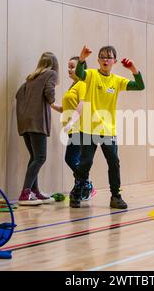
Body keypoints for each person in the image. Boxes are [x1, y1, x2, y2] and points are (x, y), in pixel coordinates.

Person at [69, 45, 145, 209]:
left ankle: (116, 196)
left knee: (114, 163)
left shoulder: (117, 81)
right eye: (102, 57)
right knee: (85, 163)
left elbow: (140, 86)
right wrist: (82, 58)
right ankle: (77, 191)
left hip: (108, 130)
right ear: (98, 60)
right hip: (89, 128)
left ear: (114, 61)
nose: (105, 60)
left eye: (108, 57)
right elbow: (80, 74)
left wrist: (133, 69)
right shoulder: (91, 75)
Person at [15, 52, 59, 206]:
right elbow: (49, 92)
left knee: (34, 157)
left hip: (25, 122)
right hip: (37, 122)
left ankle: (34, 191)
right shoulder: (51, 74)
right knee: (40, 157)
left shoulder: (31, 78)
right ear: (54, 64)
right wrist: (51, 101)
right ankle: (25, 192)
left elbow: (18, 94)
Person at [51, 56, 96, 201]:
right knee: (73, 158)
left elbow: (81, 105)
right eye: (68, 67)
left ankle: (86, 183)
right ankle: (82, 184)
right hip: (72, 128)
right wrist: (50, 104)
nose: (69, 69)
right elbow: (66, 108)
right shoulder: (73, 86)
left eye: (72, 67)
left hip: (79, 127)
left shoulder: (82, 84)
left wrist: (72, 122)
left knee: (71, 158)